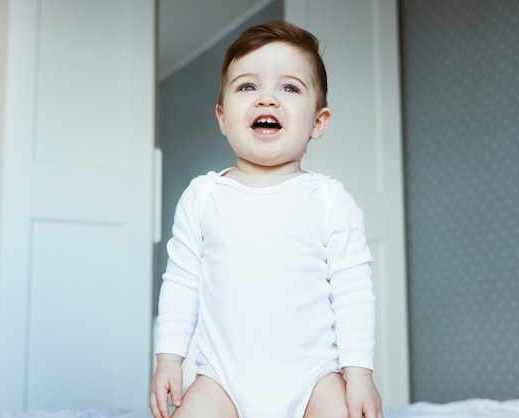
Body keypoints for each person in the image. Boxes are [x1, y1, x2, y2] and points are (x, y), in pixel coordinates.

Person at [150, 20, 383, 418]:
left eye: (289, 87)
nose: (267, 100)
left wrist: (359, 374)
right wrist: (168, 359)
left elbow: (352, 291)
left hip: (315, 380)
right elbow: (181, 282)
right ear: (222, 118)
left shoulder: (329, 200)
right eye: (247, 86)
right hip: (222, 381)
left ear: (318, 122)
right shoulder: (203, 196)